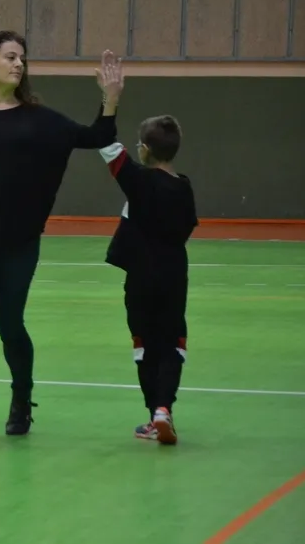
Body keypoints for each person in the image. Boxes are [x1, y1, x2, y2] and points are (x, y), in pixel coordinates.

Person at [0, 31, 124, 442]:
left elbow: (97, 137)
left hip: (18, 239)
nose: (19, 64)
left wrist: (110, 98)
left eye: (22, 58)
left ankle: (21, 399)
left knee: (10, 323)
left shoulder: (40, 120)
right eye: (10, 57)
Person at [98, 115, 197, 445]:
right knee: (172, 343)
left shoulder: (138, 182)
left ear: (145, 150)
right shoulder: (184, 187)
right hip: (174, 276)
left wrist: (110, 103)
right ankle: (164, 410)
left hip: (140, 276)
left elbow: (107, 146)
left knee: (144, 345)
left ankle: (154, 414)